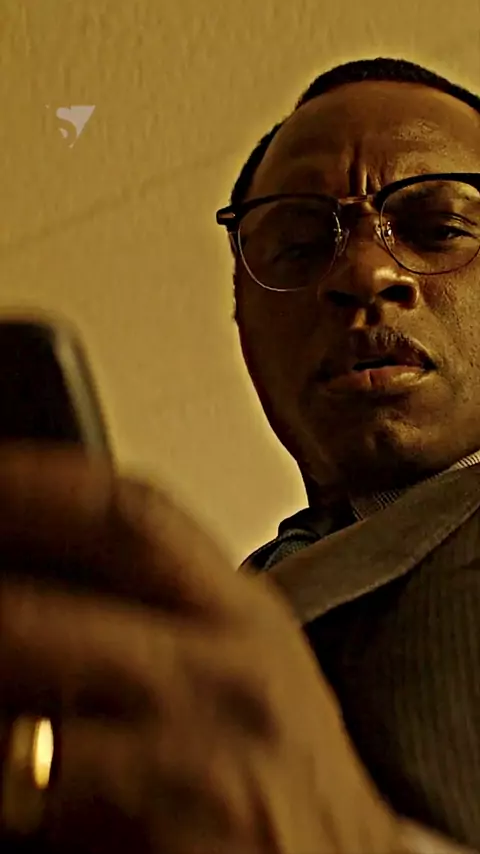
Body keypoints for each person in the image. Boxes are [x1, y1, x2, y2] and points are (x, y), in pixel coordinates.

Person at [0, 55, 478, 854]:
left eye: (439, 228)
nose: (366, 271)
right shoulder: (207, 601)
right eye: (298, 244)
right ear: (242, 310)